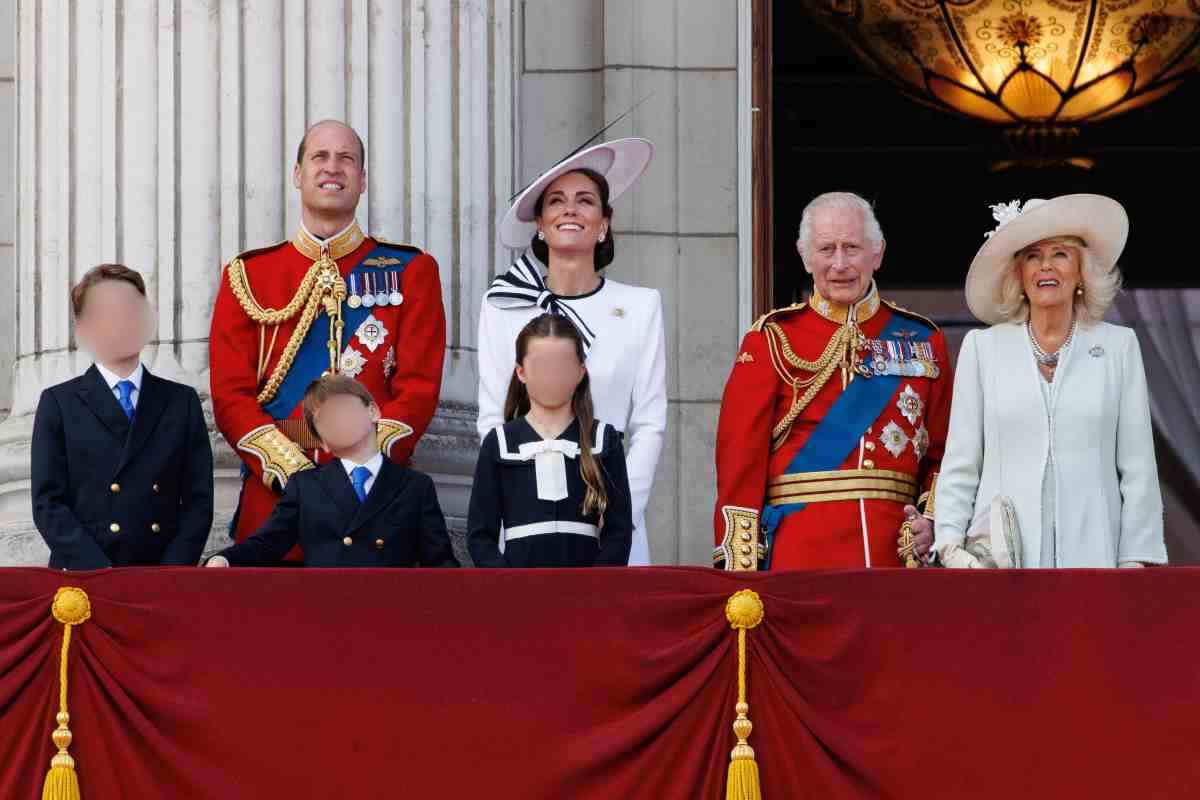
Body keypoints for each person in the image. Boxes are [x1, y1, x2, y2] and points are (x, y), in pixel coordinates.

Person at [209, 119, 446, 563]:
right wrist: (296, 474)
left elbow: (417, 390)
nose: (332, 167)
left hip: (375, 507)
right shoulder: (248, 275)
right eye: (319, 156)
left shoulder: (412, 270)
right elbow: (230, 396)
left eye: (346, 158)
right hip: (275, 501)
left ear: (362, 180)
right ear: (298, 174)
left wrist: (357, 467)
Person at [713, 192, 952, 570]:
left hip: (894, 553)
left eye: (852, 248)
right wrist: (741, 570)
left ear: (878, 253)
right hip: (798, 552)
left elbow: (944, 451)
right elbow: (740, 461)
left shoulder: (923, 339)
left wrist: (936, 522)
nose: (840, 264)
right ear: (805, 256)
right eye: (826, 249)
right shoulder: (772, 338)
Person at [932, 195, 1166, 568]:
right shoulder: (983, 349)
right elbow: (962, 462)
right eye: (1032, 255)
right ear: (1019, 274)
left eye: (1060, 254)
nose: (1046, 266)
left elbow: (1138, 470)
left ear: (1080, 272)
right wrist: (948, 543)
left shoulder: (1118, 347)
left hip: (1095, 557)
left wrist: (1134, 561)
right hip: (1000, 564)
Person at [478, 137, 664, 565]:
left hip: (612, 525)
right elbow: (492, 417)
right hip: (527, 520)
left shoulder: (641, 306)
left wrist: (617, 511)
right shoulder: (504, 305)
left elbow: (650, 423)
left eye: (585, 201)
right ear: (539, 225)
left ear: (603, 223)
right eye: (557, 201)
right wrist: (519, 501)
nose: (570, 209)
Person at [31, 264, 214, 569]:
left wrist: (171, 573)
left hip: (161, 580)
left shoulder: (181, 402)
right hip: (85, 578)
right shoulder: (59, 403)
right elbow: (48, 504)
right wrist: (99, 573)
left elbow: (198, 502)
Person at [206, 375, 456, 568]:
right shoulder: (306, 487)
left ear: (373, 412)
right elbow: (267, 543)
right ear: (323, 442)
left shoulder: (415, 486)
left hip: (392, 615)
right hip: (326, 614)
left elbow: (440, 561)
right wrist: (225, 560)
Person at [468, 314, 633, 568]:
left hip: (587, 596)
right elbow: (480, 536)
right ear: (521, 372)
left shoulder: (603, 440)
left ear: (580, 372)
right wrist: (506, 584)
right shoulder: (500, 443)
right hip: (519, 593)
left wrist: (596, 586)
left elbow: (618, 532)